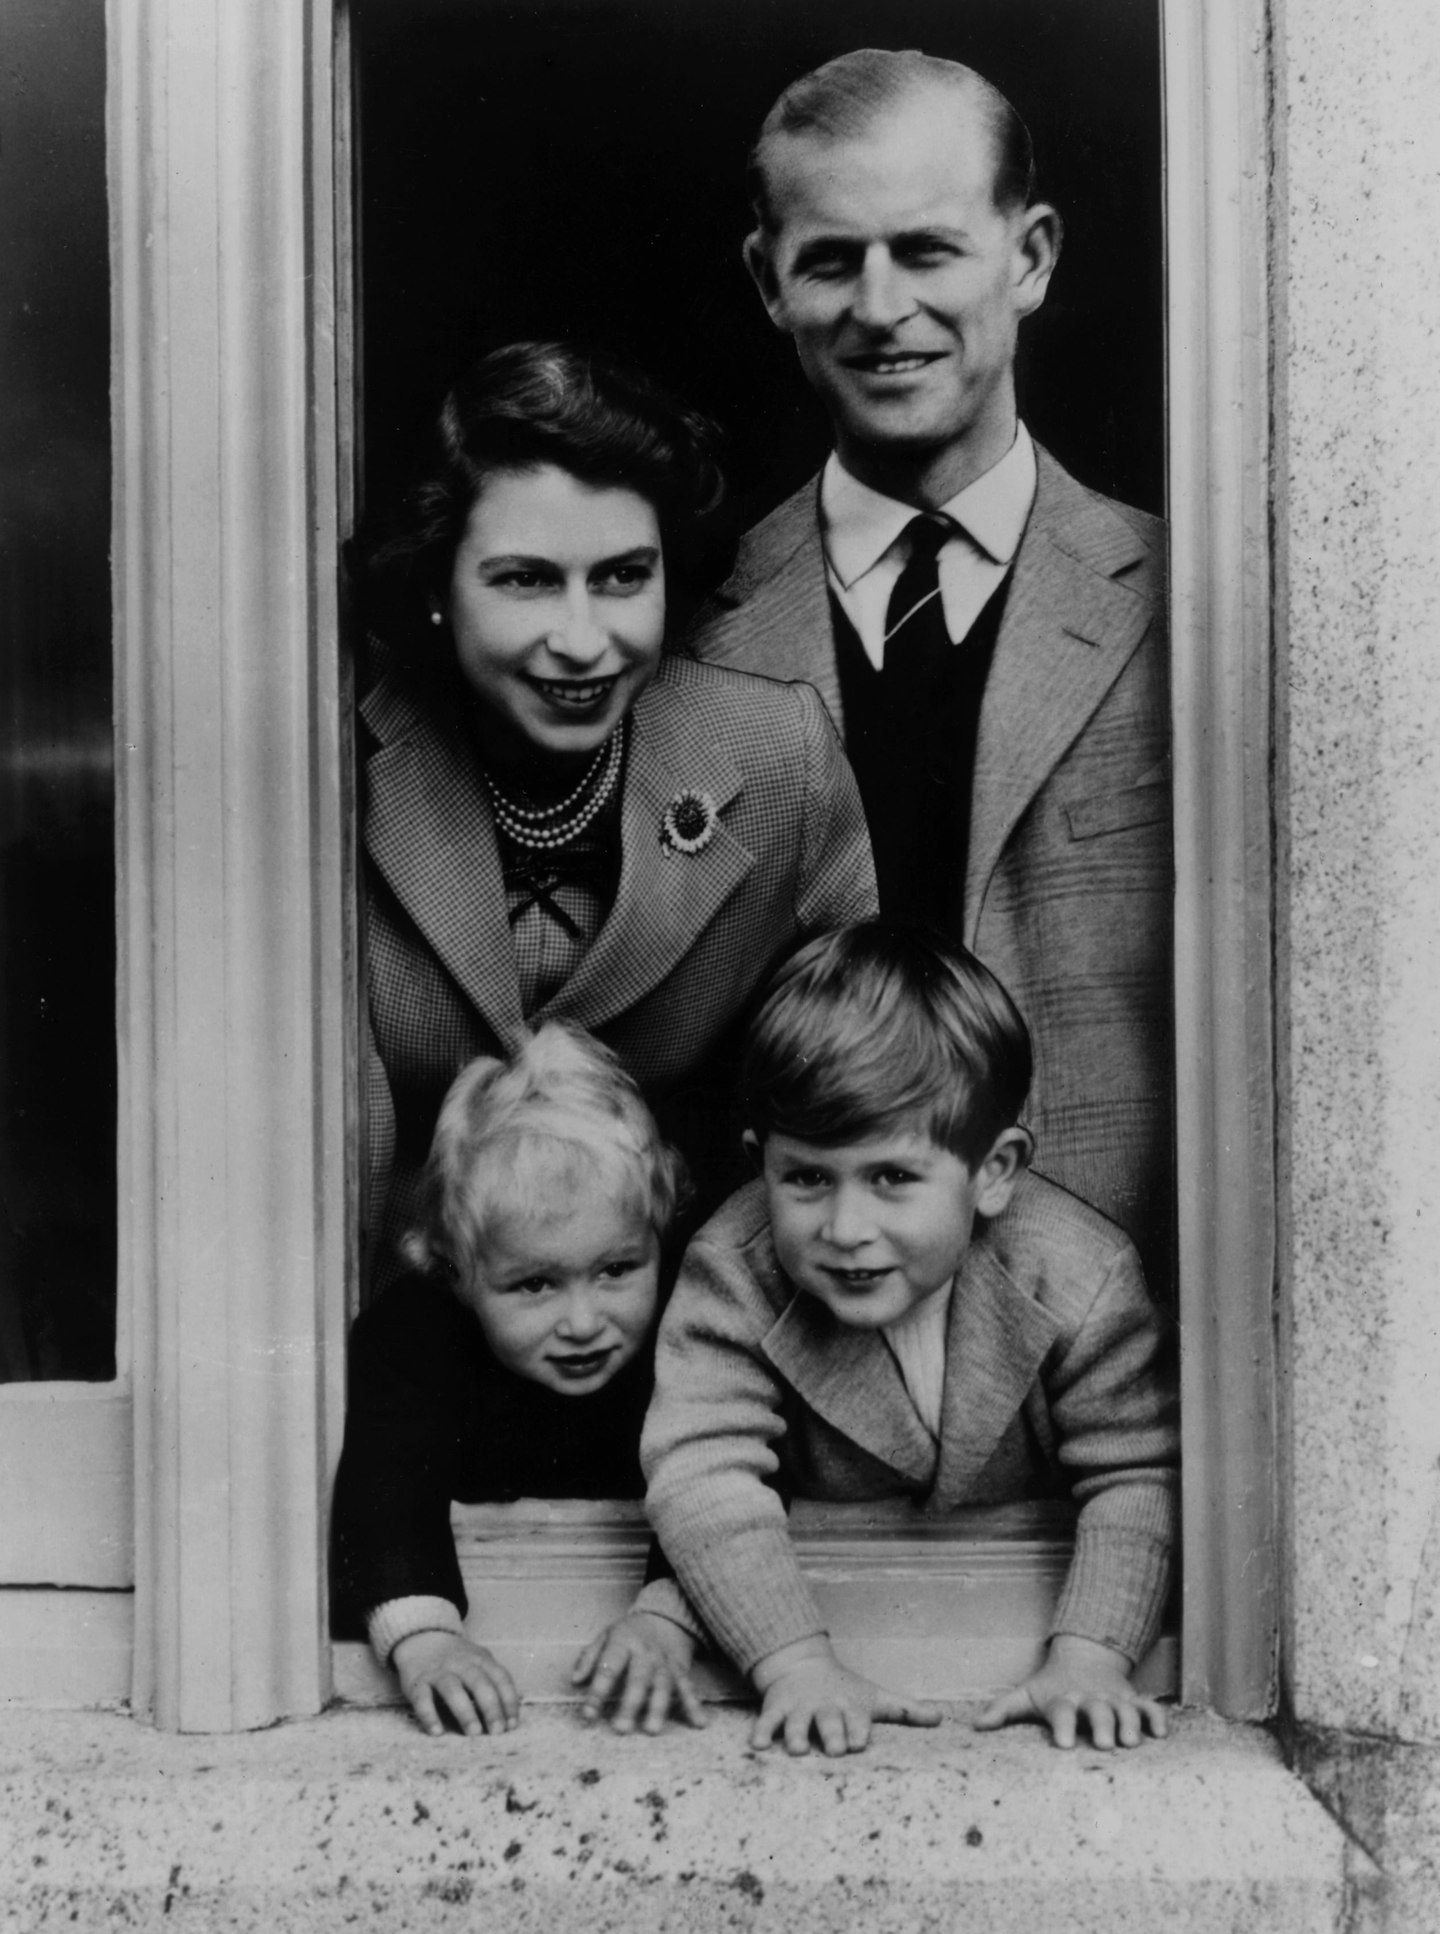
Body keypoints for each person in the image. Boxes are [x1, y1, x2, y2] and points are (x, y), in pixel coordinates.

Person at [687, 50, 1172, 1291]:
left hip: (1108, 1388)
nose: (880, 305)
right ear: (767, 281)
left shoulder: (1188, 606)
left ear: (1033, 255)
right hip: (782, 1389)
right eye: (833, 259)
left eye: (928, 249)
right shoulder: (690, 626)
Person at [353, 340, 876, 1285]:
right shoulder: (339, 769)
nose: (585, 640)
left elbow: (854, 1092)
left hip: (683, 1320)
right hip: (391, 1322)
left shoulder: (778, 758)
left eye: (624, 577)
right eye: (526, 580)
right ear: (436, 586)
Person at [641, 925, 1179, 1757]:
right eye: (808, 1177)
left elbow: (1137, 1471)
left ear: (994, 1171)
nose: (846, 1228)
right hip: (835, 1610)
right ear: (759, 1165)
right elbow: (704, 1472)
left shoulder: (1079, 1272)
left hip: (1013, 1620)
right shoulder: (734, 1271)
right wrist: (794, 1666)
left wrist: (1092, 1656)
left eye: (892, 1177)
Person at [331, 1023, 710, 1738]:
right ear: (456, 1272)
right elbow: (384, 1487)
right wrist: (423, 1638)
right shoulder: (414, 1339)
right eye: (535, 1284)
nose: (583, 1320)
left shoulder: (687, 1328)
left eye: (617, 1270)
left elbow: (721, 1472)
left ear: (658, 1236)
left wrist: (670, 1618)